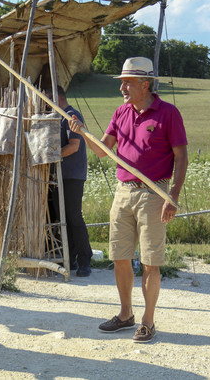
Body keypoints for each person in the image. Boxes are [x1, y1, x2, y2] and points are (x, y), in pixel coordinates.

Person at [68, 57, 188, 343]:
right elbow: (102, 151)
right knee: (120, 258)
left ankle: (148, 321)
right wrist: (82, 132)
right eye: (122, 82)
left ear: (145, 84)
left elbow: (182, 156)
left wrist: (173, 195)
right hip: (124, 193)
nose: (122, 87)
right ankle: (125, 315)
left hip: (154, 193)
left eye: (128, 82)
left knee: (150, 262)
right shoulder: (121, 112)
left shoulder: (168, 113)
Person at [45, 86, 93, 277]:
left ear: (56, 97)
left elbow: (74, 146)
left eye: (47, 99)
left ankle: (84, 260)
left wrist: (50, 157)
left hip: (72, 174)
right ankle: (70, 258)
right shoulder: (57, 116)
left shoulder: (72, 115)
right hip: (60, 175)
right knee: (63, 218)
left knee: (74, 216)